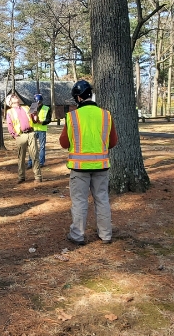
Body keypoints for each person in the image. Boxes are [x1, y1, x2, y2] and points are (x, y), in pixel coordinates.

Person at [60, 80, 117, 246]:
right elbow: (113, 141)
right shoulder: (106, 115)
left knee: (79, 202)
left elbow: (64, 143)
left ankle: (77, 235)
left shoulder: (72, 117)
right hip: (101, 167)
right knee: (102, 200)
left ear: (78, 98)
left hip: (79, 168)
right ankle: (106, 234)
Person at [5, 93, 41, 183]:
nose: (15, 97)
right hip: (21, 135)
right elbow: (10, 125)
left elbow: (35, 120)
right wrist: (15, 136)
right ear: (10, 102)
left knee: (35, 155)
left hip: (31, 133)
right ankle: (21, 177)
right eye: (13, 97)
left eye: (15, 96)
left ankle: (38, 177)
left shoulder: (26, 108)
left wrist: (36, 114)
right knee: (21, 157)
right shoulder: (9, 112)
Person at [27, 93, 52, 169]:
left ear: (41, 101)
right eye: (37, 102)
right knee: (32, 147)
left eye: (39, 102)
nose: (38, 104)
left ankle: (41, 162)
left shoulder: (47, 108)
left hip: (42, 130)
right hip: (33, 129)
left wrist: (42, 122)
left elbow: (49, 119)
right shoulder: (32, 107)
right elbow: (28, 118)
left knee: (42, 147)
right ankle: (30, 163)